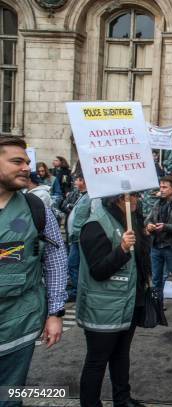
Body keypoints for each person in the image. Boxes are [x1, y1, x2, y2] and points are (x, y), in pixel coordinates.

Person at [0, 136, 67, 398]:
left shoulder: (35, 208)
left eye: (27, 162)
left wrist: (55, 313)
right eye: (17, 161)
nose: (26, 167)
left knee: (8, 398)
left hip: (20, 323)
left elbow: (56, 260)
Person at [77, 193, 150, 407]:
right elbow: (98, 270)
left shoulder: (130, 220)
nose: (138, 199)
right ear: (119, 199)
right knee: (97, 361)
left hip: (129, 301)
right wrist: (122, 249)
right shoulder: (95, 224)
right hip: (103, 306)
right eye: (134, 196)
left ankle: (122, 398)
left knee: (121, 355)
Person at [65, 173, 90, 302]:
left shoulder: (89, 197)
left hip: (80, 238)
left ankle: (77, 292)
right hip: (75, 237)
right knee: (74, 265)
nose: (75, 182)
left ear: (84, 181)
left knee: (73, 264)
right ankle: (78, 290)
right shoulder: (82, 196)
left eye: (78, 180)